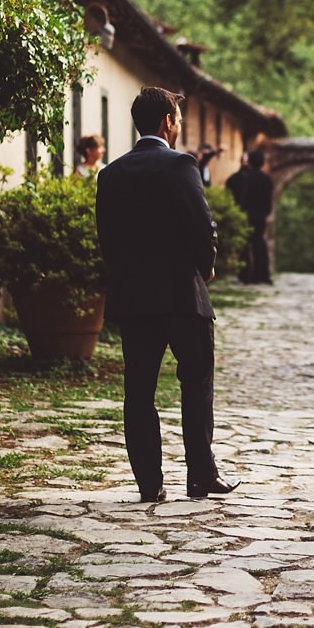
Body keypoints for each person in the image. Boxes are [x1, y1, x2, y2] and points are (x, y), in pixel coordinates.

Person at [97, 87, 238, 504]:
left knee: (138, 391)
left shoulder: (111, 173)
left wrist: (125, 277)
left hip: (134, 299)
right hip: (182, 295)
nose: (177, 126)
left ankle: (149, 483)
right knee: (196, 382)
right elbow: (202, 224)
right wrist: (207, 264)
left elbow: (107, 238)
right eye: (176, 118)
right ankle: (200, 476)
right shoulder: (181, 165)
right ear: (167, 123)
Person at [226, 149, 274, 284]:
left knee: (245, 246)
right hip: (260, 216)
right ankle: (261, 275)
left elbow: (243, 198)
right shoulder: (266, 179)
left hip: (246, 215)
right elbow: (269, 201)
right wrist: (265, 213)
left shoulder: (245, 178)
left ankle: (245, 276)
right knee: (259, 244)